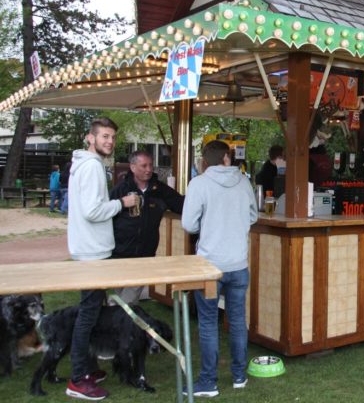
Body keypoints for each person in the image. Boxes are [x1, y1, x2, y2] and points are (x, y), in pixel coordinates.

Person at [66, 117, 139, 400]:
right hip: (92, 251)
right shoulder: (92, 167)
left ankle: (87, 367)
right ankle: (77, 379)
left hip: (88, 247)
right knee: (87, 314)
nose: (109, 141)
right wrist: (122, 203)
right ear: (90, 138)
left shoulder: (83, 165)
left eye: (112, 137)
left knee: (92, 311)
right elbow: (92, 211)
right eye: (104, 136)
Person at [181, 140, 258, 397]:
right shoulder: (244, 182)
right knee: (237, 320)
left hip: (210, 266)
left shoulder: (199, 184)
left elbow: (189, 225)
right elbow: (253, 216)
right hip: (238, 263)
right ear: (227, 157)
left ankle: (208, 381)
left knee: (208, 323)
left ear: (205, 159)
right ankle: (239, 376)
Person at [109, 150, 185, 304]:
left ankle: (117, 314)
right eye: (144, 165)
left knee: (128, 300)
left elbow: (183, 205)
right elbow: (105, 216)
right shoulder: (120, 189)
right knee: (123, 295)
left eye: (150, 165)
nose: (149, 169)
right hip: (119, 253)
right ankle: (119, 318)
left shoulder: (160, 190)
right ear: (133, 167)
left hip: (145, 255)